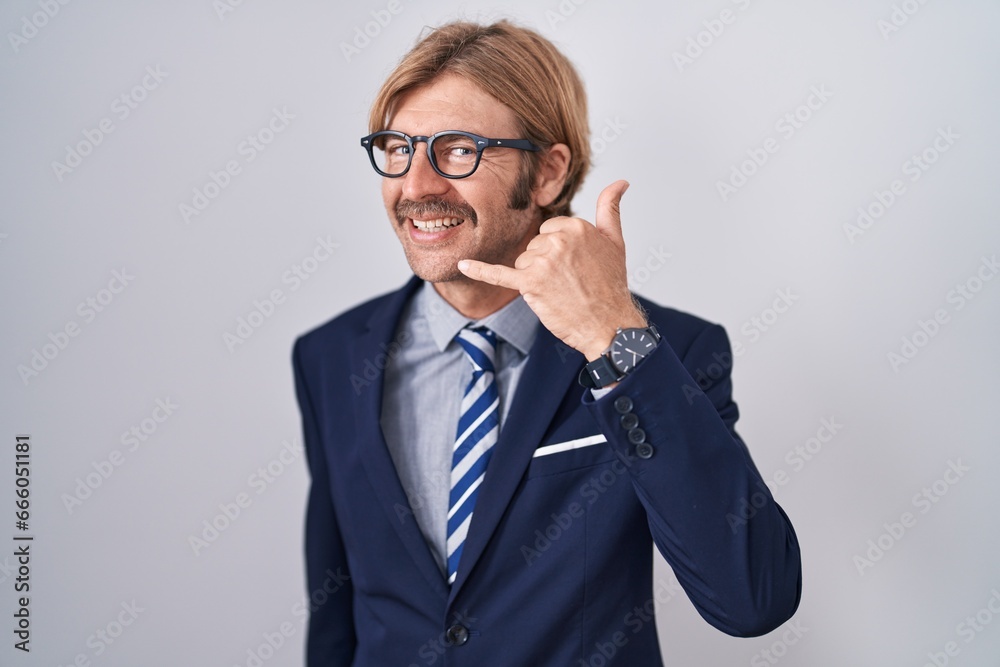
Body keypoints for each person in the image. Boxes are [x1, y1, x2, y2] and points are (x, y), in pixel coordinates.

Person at [293, 19, 801, 666]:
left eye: (456, 150)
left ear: (548, 175)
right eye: (398, 147)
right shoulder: (332, 356)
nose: (415, 185)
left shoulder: (667, 351)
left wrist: (612, 336)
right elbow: (334, 614)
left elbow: (753, 598)